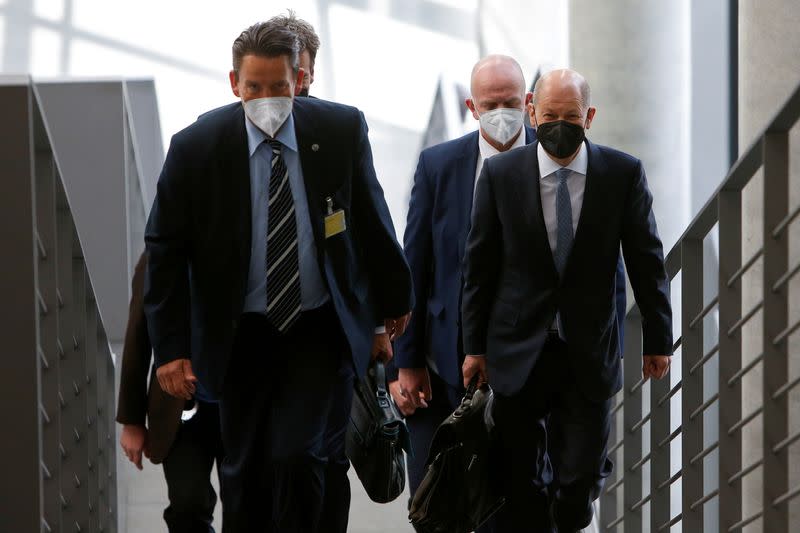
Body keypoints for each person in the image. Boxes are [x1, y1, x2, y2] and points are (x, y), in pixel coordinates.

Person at [143, 20, 413, 533]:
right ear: (234, 84)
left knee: (297, 455)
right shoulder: (196, 147)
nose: (267, 99)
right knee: (243, 470)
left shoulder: (338, 130)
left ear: (301, 81)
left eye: (279, 87)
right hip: (237, 333)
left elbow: (374, 223)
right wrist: (171, 348)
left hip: (316, 327)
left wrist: (389, 313)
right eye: (254, 88)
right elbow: (165, 252)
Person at [390, 56, 627, 505]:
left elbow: (604, 267)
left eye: (512, 102)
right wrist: (406, 360)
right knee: (438, 498)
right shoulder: (439, 165)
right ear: (471, 106)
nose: (502, 112)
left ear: (530, 104)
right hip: (449, 360)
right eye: (491, 103)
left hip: (537, 356)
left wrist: (605, 351)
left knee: (521, 493)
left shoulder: (568, 154)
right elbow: (415, 265)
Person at [461, 68, 673, 532]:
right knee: (520, 480)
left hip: (588, 349)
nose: (560, 124)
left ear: (589, 116)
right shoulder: (500, 173)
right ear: (533, 112)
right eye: (550, 114)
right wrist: (474, 348)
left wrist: (659, 339)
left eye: (571, 116)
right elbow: (480, 268)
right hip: (517, 349)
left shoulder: (621, 173)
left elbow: (646, 259)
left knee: (578, 482)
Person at [117, 253, 225, 532]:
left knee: (248, 503)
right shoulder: (161, 249)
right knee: (187, 504)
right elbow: (137, 335)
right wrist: (132, 420)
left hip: (241, 402)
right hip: (179, 405)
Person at [266, 10, 319, 97]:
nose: (291, 91)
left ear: (311, 73)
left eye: (300, 77)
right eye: (280, 81)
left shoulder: (332, 111)